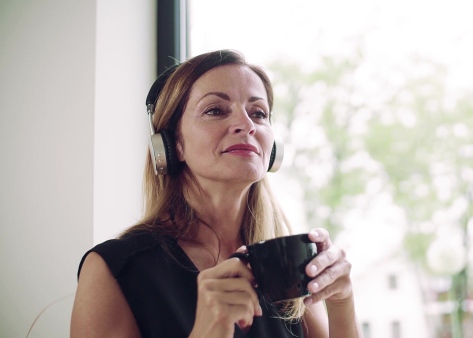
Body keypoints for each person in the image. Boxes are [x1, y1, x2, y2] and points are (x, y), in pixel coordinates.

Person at [70, 49, 361, 338]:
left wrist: (342, 302)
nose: (246, 125)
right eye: (215, 110)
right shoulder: (113, 270)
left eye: (258, 114)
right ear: (172, 145)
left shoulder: (285, 264)